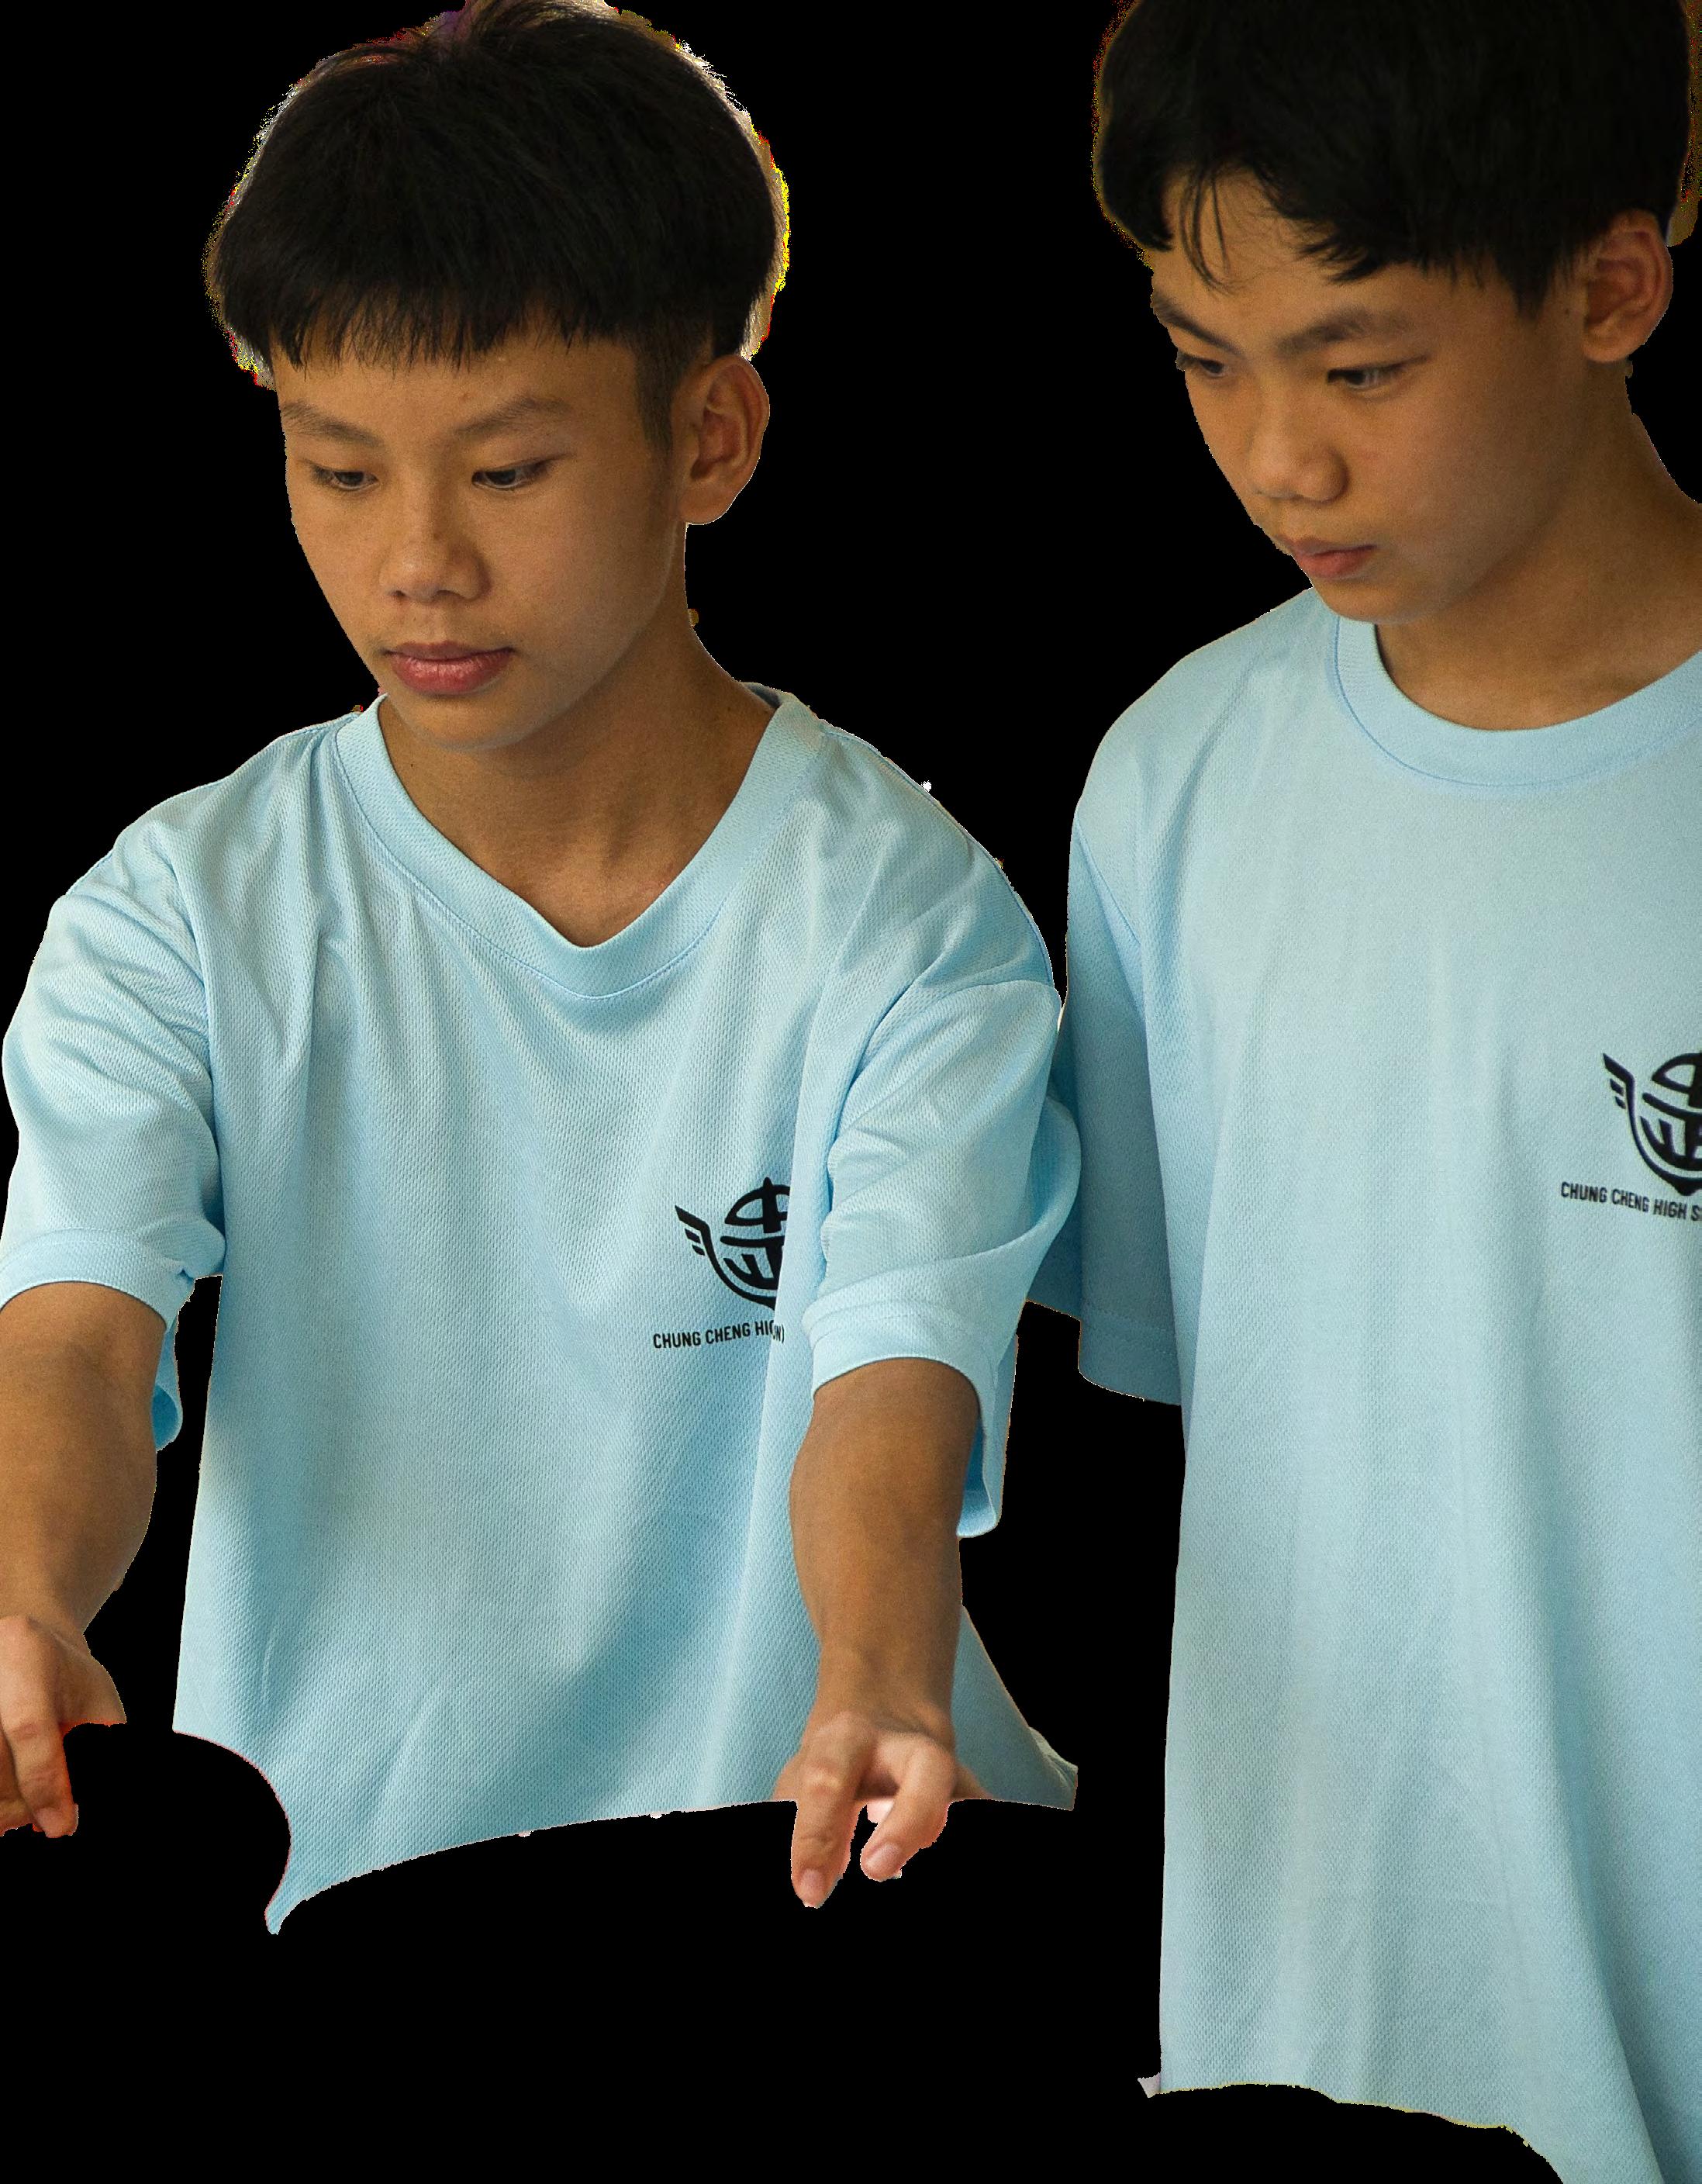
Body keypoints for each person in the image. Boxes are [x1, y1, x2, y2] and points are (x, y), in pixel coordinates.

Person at [2, 3, 1697, 2176]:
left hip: (834, 1922)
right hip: (369, 1918)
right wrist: (27, 1587)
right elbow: (80, 1325)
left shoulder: (910, 918)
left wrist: (883, 1667)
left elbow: (896, 1369)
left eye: (504, 472)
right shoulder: (181, 912)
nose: (417, 557)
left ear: (710, 438)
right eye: (338, 470)